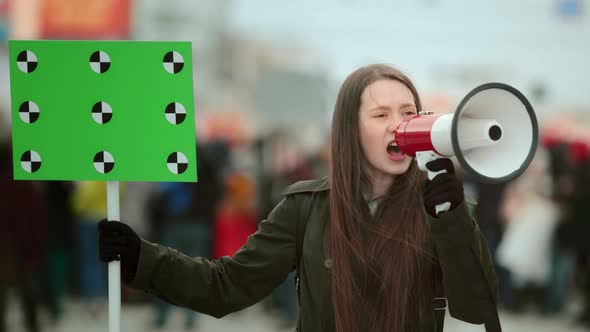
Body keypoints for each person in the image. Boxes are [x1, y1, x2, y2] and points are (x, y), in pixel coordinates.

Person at [98, 64, 500, 332]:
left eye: (408, 111)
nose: (399, 125)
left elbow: (476, 309)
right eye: (380, 115)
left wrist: (452, 221)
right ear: (350, 130)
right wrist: (141, 258)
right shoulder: (306, 208)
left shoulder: (446, 213)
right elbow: (227, 287)